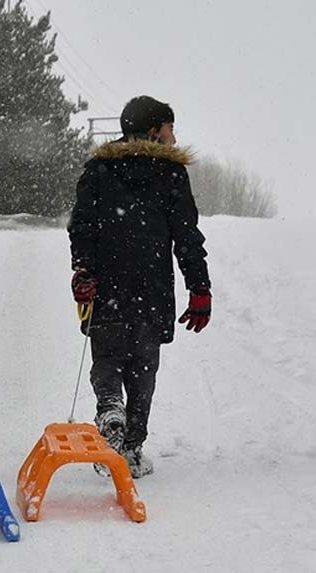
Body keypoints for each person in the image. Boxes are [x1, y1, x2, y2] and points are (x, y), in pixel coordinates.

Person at [68, 95, 212, 478]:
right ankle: (130, 448)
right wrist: (200, 288)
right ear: (153, 130)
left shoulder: (99, 169)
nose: (173, 135)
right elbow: (187, 237)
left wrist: (83, 270)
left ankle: (110, 406)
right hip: (151, 290)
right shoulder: (171, 174)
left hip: (107, 287)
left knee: (108, 359)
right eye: (169, 127)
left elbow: (81, 226)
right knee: (143, 369)